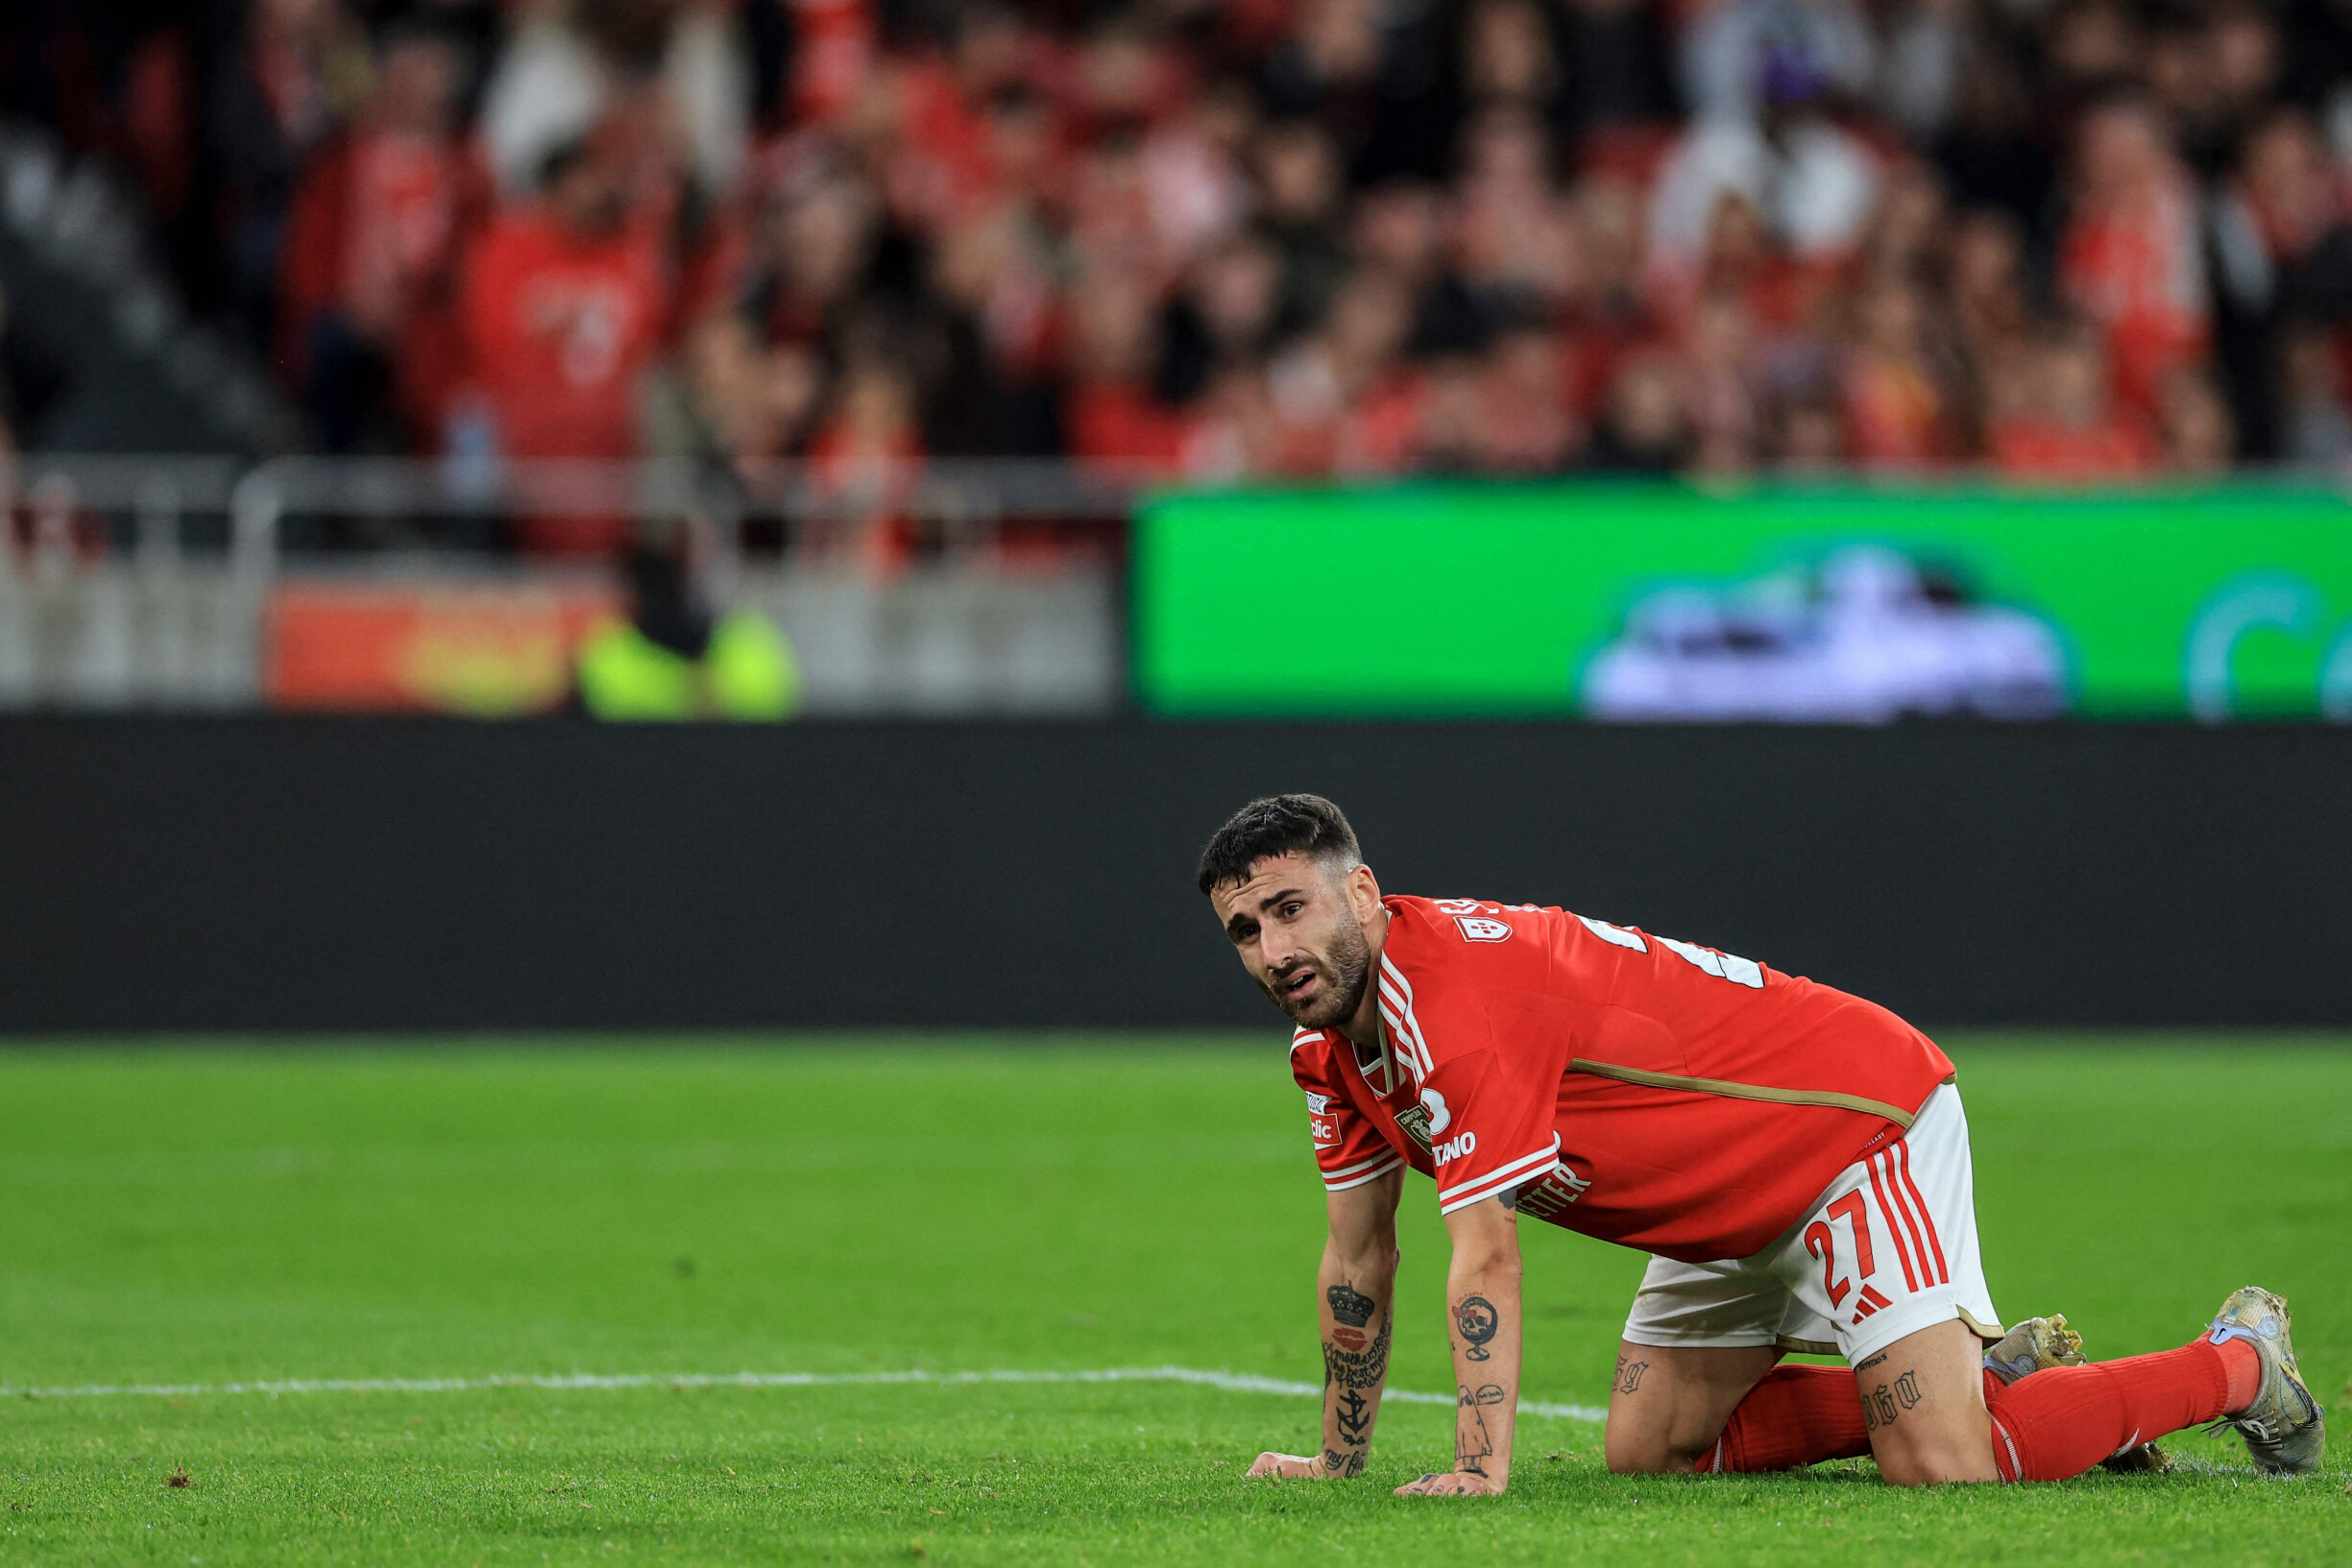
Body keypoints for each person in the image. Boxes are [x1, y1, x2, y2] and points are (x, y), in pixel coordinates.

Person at [1197, 793, 2324, 1494]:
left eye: (1292, 907)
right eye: (1245, 928)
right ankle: (1985, 1374)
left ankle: (2236, 1362)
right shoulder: (1331, 1054)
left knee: (1944, 1464)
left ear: (1363, 891)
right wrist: (1336, 1462)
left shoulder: (1450, 997)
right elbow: (1358, 1260)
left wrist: (1477, 1471)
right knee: (1654, 1450)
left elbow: (1484, 1255)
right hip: (1717, 1203)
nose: (1271, 946)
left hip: (1839, 1127)